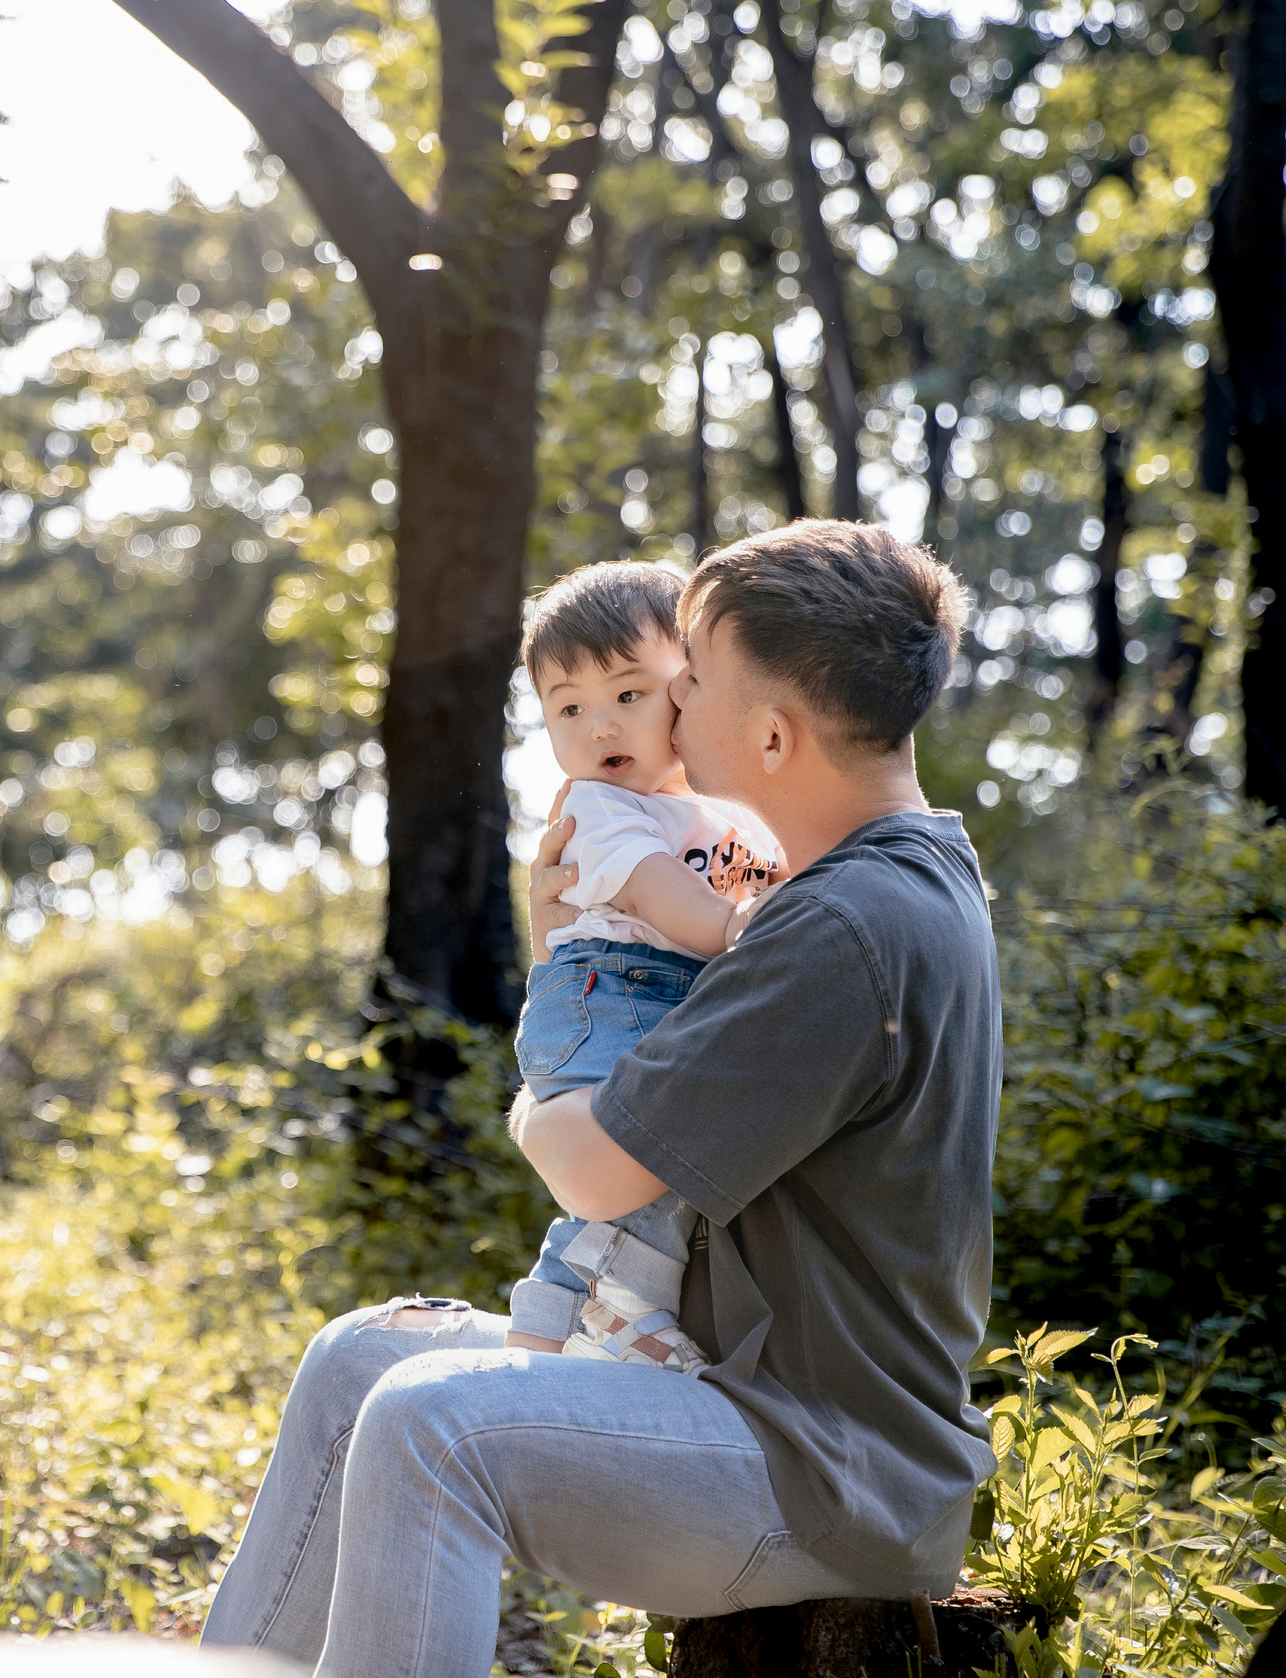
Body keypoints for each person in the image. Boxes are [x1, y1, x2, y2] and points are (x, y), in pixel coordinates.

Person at [198, 520, 1001, 1678]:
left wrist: (542, 1062)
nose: (666, 714)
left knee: (431, 1426)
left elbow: (589, 1165)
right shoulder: (873, 877)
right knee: (360, 1358)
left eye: (692, 684)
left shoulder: (838, 925)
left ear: (770, 733)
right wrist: (569, 943)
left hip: (819, 1463)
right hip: (733, 1391)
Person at [505, 560, 783, 1371]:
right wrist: (744, 926)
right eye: (570, 708)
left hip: (639, 995)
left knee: (658, 1159)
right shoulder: (598, 807)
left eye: (629, 695)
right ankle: (590, 1310)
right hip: (606, 997)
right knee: (642, 1154)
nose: (600, 728)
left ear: (689, 687)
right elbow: (672, 902)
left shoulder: (712, 807)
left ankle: (585, 1312)